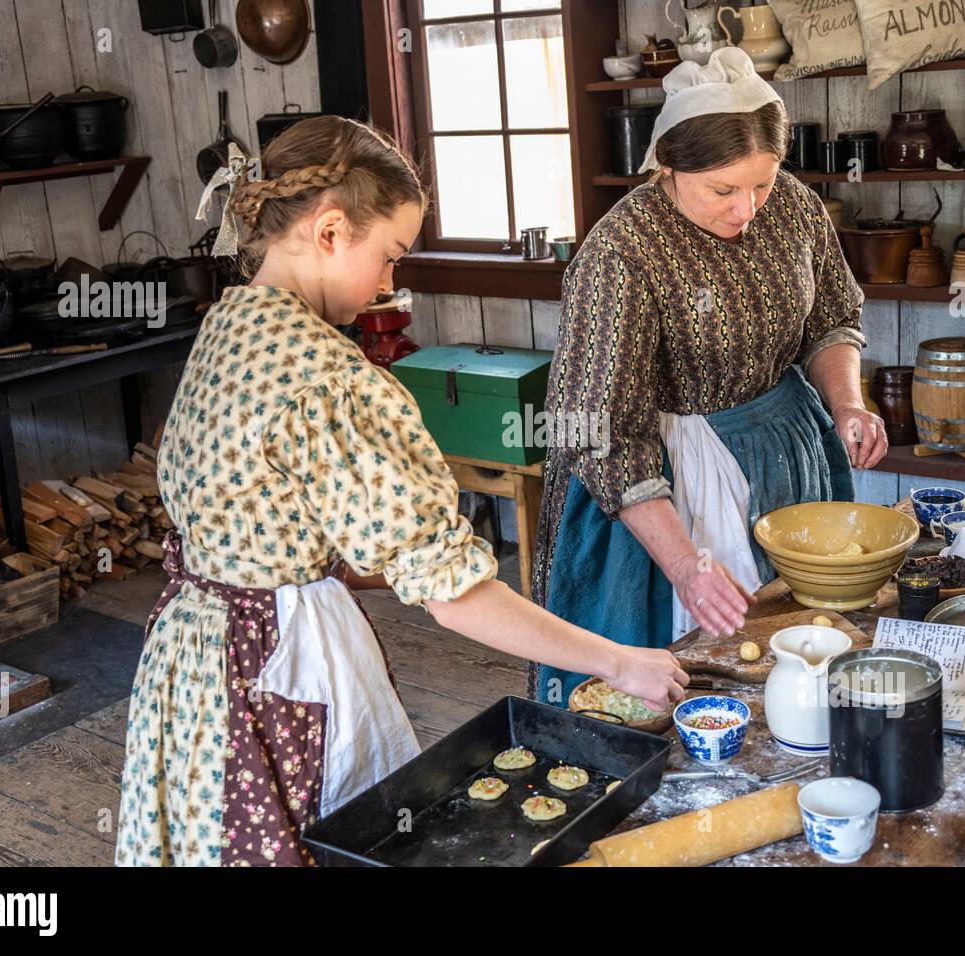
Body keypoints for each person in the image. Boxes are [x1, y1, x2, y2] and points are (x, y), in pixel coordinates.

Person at [114, 116, 688, 866]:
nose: (389, 282)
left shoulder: (229, 327)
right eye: (388, 255)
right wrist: (619, 661)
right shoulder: (331, 379)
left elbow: (263, 509)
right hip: (279, 666)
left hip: (190, 659)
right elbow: (452, 594)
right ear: (328, 233)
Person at [531, 49, 887, 707]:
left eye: (763, 183)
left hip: (787, 454)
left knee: (802, 652)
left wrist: (847, 402)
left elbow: (833, 316)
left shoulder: (796, 209)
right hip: (667, 491)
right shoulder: (620, 257)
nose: (747, 208)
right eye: (723, 190)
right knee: (701, 673)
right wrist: (687, 567)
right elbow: (602, 434)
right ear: (667, 167)